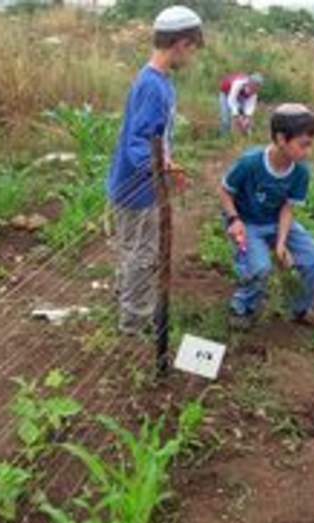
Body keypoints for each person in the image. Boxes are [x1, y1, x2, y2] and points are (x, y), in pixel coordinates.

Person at [107, 5, 203, 336]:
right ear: (181, 44)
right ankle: (134, 321)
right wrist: (161, 170)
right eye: (193, 48)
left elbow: (153, 140)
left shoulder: (159, 80)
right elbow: (138, 146)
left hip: (141, 183)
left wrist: (167, 163)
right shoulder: (153, 86)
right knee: (142, 254)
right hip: (138, 190)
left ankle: (125, 299)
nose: (192, 56)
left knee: (133, 248)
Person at [218, 103, 314, 329]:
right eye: (302, 145)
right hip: (246, 223)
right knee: (260, 269)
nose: (307, 151)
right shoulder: (250, 163)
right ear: (280, 139)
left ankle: (300, 308)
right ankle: (242, 307)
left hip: (277, 223)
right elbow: (225, 191)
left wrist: (280, 244)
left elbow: (288, 208)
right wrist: (233, 220)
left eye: (310, 145)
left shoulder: (300, 171)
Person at [219, 72, 264, 136]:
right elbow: (231, 100)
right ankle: (223, 137)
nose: (256, 89)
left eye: (258, 87)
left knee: (246, 121)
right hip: (227, 94)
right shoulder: (238, 83)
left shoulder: (254, 93)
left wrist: (247, 117)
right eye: (255, 86)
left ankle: (246, 136)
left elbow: (250, 106)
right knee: (226, 118)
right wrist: (236, 115)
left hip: (241, 97)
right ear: (250, 83)